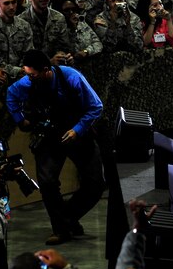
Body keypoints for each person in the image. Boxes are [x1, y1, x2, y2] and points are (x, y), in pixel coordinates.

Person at [6, 50, 104, 245]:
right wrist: (20, 120)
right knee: (48, 182)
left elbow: (96, 106)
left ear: (45, 70)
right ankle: (61, 229)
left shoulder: (71, 77)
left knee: (95, 184)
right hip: (49, 135)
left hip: (77, 132)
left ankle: (67, 219)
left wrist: (77, 130)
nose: (28, 78)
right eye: (26, 74)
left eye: (32, 74)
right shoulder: (28, 82)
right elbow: (11, 94)